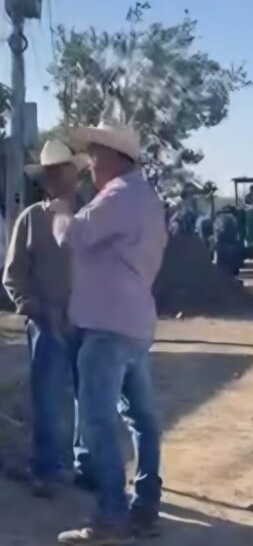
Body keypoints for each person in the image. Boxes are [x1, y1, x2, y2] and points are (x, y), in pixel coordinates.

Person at [50, 122, 167, 544]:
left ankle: (111, 517)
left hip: (107, 327)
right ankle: (145, 507)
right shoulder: (146, 199)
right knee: (142, 419)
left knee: (98, 423)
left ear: (115, 156)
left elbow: (73, 236)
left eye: (95, 154)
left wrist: (62, 206)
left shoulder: (118, 195)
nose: (91, 163)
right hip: (134, 325)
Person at [3, 140, 90, 499]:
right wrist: (38, 310)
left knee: (92, 400)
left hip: (91, 322)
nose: (56, 178)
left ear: (75, 173)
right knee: (48, 400)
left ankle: (89, 468)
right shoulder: (31, 219)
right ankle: (46, 470)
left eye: (62, 170)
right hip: (46, 325)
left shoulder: (94, 215)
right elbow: (13, 277)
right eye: (49, 173)